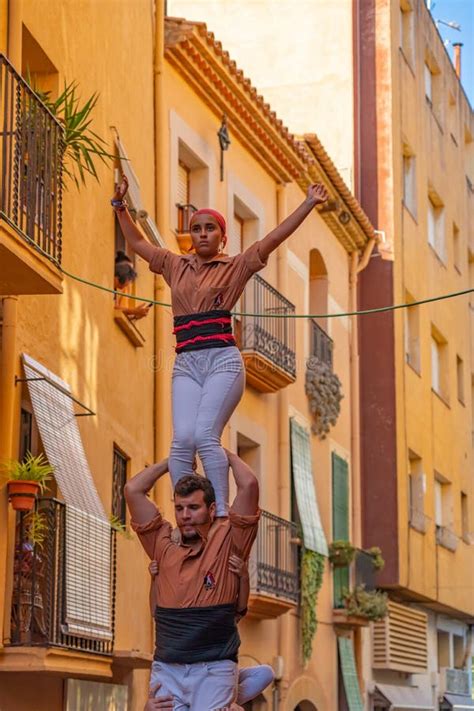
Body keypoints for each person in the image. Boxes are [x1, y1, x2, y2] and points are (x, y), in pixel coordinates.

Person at [113, 177, 328, 516]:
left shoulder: (235, 266)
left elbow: (273, 238)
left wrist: (307, 204)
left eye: (210, 228)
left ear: (222, 237)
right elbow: (137, 241)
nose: (201, 233)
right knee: (181, 440)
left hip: (222, 362)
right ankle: (185, 512)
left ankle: (222, 514)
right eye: (196, 228)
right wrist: (120, 205)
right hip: (187, 363)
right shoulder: (174, 265)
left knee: (204, 435)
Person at [124, 449, 260, 710]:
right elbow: (133, 490)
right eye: (179, 508)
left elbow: (249, 485)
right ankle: (238, 688)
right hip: (168, 667)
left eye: (193, 507)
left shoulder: (230, 542)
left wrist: (218, 450)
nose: (185, 515)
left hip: (214, 667)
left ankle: (235, 687)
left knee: (262, 675)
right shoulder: (162, 546)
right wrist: (173, 461)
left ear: (211, 509)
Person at [148, 554, 273, 707]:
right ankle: (222, 695)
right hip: (206, 675)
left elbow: (156, 611)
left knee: (265, 673)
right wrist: (243, 577)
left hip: (195, 673)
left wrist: (154, 580)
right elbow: (240, 607)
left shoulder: (201, 597)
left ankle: (220, 695)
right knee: (265, 674)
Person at [114, 250, 152, 321]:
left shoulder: (116, 290)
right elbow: (114, 308)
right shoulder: (109, 286)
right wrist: (134, 311)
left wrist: (135, 316)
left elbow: (118, 312)